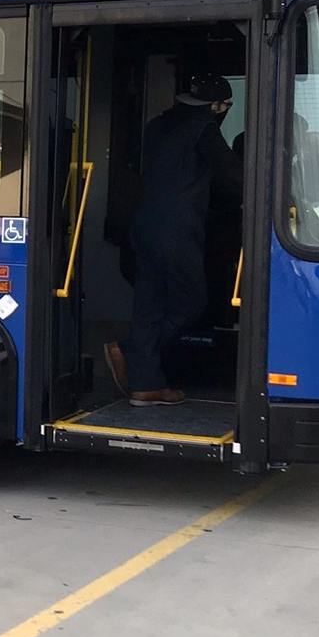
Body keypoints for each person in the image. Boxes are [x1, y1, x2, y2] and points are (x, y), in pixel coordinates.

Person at [105, 74, 243, 406]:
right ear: (215, 106)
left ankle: (146, 387)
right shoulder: (204, 129)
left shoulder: (156, 126)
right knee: (191, 302)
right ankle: (130, 352)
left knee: (150, 305)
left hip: (142, 228)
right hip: (177, 233)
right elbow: (234, 181)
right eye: (226, 107)